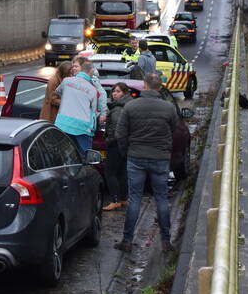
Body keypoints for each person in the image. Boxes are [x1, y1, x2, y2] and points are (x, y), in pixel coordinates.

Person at [114, 73, 179, 253]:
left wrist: (126, 152)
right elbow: (174, 128)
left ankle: (127, 240)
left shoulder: (131, 106)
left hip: (136, 157)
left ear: (144, 86)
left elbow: (120, 134)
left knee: (135, 198)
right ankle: (165, 240)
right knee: (161, 198)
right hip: (160, 157)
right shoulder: (168, 108)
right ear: (160, 87)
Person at [53, 60, 101, 153]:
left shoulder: (66, 81)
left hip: (62, 124)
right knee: (85, 156)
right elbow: (94, 111)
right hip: (82, 128)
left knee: (62, 154)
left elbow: (57, 92)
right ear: (90, 71)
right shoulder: (93, 90)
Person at [102, 82, 132, 211]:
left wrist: (109, 140)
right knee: (122, 172)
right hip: (125, 144)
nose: (114, 94)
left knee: (110, 172)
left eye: (118, 91)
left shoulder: (118, 109)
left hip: (115, 144)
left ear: (124, 93)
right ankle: (124, 199)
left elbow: (116, 129)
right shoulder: (127, 105)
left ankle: (115, 200)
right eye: (113, 91)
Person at [73, 55, 108, 127]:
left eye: (76, 66)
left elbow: (102, 95)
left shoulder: (92, 80)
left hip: (88, 119)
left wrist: (103, 114)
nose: (73, 68)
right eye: (73, 66)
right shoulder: (75, 79)